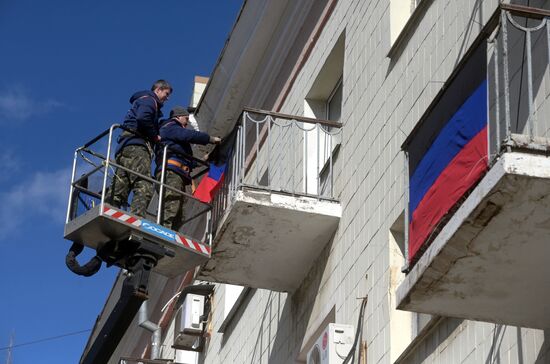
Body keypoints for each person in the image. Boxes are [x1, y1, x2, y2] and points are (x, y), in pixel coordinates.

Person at [107, 80, 172, 217]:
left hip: (125, 146)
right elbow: (143, 118)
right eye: (166, 93)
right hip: (137, 146)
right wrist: (154, 136)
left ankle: (109, 209)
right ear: (158, 89)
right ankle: (138, 217)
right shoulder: (150, 101)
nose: (167, 98)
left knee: (121, 184)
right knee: (144, 183)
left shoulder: (143, 100)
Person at [156, 106, 221, 231]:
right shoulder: (170, 127)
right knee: (171, 203)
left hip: (177, 173)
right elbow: (188, 135)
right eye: (186, 119)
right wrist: (210, 139)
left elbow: (184, 158)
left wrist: (201, 161)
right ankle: (162, 232)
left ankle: (170, 234)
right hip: (171, 172)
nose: (186, 123)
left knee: (179, 211)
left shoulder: (174, 135)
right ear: (178, 117)